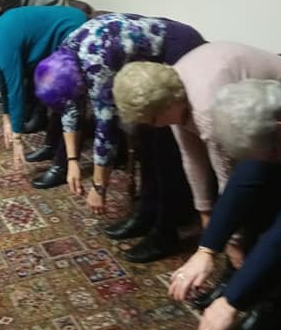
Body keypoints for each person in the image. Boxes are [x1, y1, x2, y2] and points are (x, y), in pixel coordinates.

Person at [112, 43, 281, 291]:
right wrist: (204, 214)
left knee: (266, 200)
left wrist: (230, 241)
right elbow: (192, 159)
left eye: (153, 119)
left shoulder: (206, 111)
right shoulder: (173, 93)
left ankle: (246, 279)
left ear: (166, 106)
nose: (155, 126)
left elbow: (230, 180)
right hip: (268, 116)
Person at [33, 13, 205, 259]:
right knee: (146, 142)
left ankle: (166, 233)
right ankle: (146, 213)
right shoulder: (64, 58)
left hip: (177, 51)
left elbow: (106, 129)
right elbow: (71, 110)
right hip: (144, 64)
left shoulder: (95, 64)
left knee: (165, 149)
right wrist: (71, 162)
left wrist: (99, 187)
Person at [168, 71, 281, 330]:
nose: (269, 160)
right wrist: (206, 249)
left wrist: (231, 302)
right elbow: (247, 178)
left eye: (271, 153)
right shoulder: (279, 103)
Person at [0, 5, 87, 173]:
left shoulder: (4, 45)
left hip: (74, 30)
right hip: (68, 22)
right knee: (54, 94)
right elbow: (3, 81)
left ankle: (63, 165)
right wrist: (6, 118)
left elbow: (16, 90)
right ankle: (51, 147)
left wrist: (17, 138)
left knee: (64, 93)